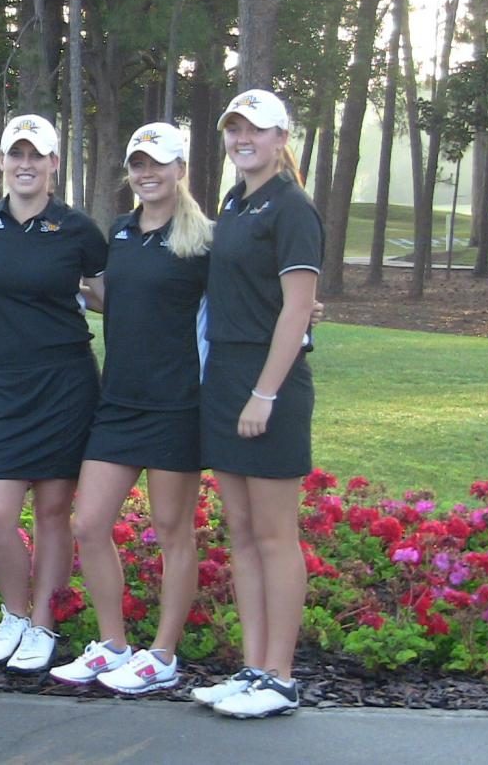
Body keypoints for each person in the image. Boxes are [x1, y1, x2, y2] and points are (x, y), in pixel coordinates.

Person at [50, 122, 210, 693]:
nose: (147, 174)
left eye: (159, 164)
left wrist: (304, 312)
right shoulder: (119, 232)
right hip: (117, 402)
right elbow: (114, 297)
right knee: (89, 524)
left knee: (173, 531)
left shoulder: (203, 240)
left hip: (177, 405)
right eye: (139, 164)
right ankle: (114, 645)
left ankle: (162, 655)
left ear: (180, 170)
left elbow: (244, 297)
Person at [190, 89, 322, 719]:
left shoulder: (292, 207)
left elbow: (297, 309)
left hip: (269, 384)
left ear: (280, 138)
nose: (243, 139)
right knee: (240, 532)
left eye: (255, 130)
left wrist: (264, 394)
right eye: (234, 129)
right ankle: (252, 669)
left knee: (274, 535)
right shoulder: (234, 202)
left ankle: (281, 677)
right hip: (224, 376)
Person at [0, 114, 108, 673]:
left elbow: (109, 293)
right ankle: (15, 614)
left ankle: (44, 625)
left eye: (37, 154)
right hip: (6, 382)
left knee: (53, 513)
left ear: (54, 163)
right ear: (1, 162)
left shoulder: (77, 229)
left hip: (66, 380)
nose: (25, 164)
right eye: (15, 153)